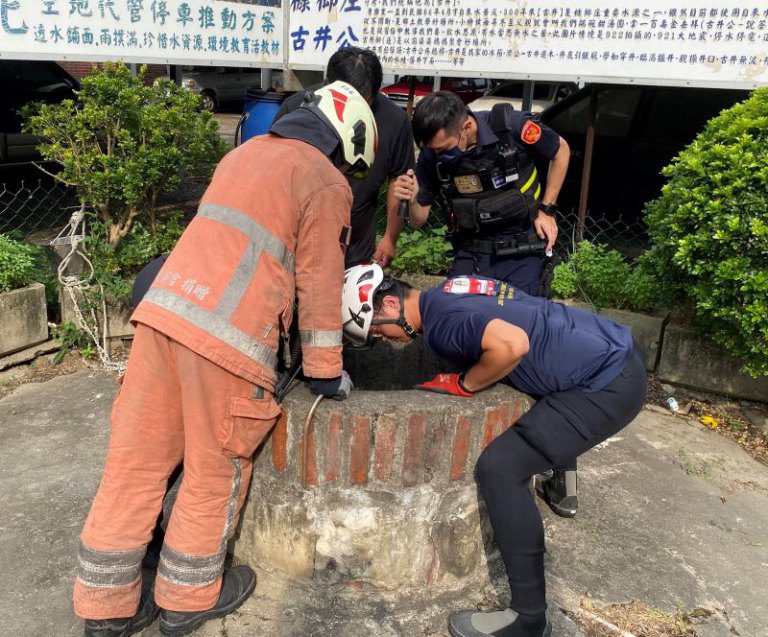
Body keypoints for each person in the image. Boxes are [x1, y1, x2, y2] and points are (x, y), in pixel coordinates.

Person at [73, 81, 377, 637]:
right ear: (346, 141)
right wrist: (326, 371)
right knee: (215, 469)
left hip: (162, 314)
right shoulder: (325, 180)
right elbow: (318, 277)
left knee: (134, 466)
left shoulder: (244, 152)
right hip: (229, 341)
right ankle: (188, 599)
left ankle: (106, 609)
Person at [341, 265, 647, 637]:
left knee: (501, 469)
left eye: (375, 329)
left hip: (606, 384)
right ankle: (560, 479)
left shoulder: (442, 325)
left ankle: (528, 618)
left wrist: (465, 385)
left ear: (390, 302)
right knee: (535, 414)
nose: (381, 338)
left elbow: (511, 345)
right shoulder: (451, 289)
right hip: (608, 348)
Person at [393, 91, 578, 516]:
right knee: (461, 346)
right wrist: (408, 199)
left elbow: (561, 150)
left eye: (446, 146)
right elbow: (420, 216)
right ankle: (473, 448)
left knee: (534, 356)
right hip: (472, 257)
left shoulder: (507, 124)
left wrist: (547, 208)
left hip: (522, 255)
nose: (442, 156)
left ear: (467, 127)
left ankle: (558, 466)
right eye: (434, 151)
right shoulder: (435, 157)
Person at [273, 46, 415, 268]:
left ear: (376, 92)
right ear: (328, 85)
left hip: (354, 244)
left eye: (361, 101)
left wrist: (390, 237)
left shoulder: (394, 120)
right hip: (298, 236)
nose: (352, 108)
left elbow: (399, 180)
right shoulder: (297, 107)